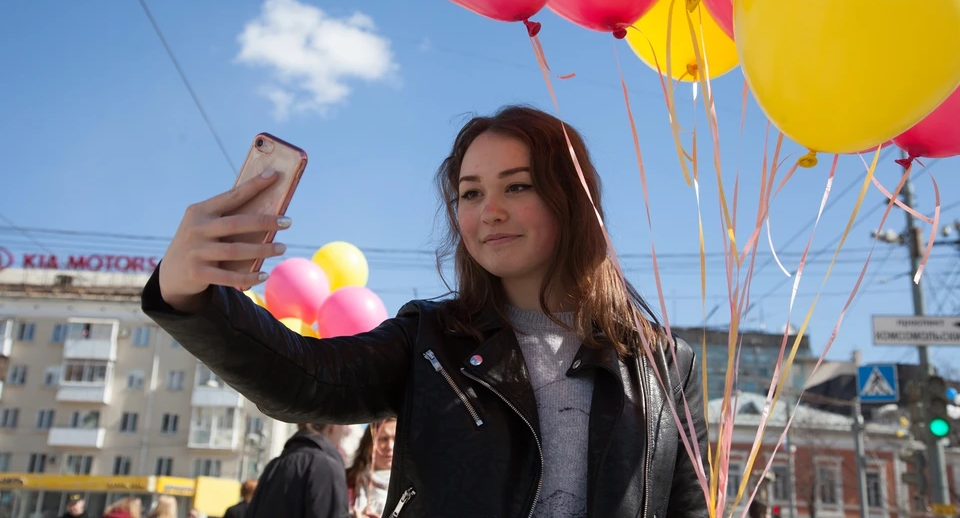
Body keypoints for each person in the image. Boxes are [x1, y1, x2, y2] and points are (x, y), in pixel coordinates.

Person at [143, 105, 709, 518]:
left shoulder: (665, 364)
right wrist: (187, 293)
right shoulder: (432, 339)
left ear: (573, 199)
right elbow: (306, 379)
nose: (489, 212)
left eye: (517, 187)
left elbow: (687, 506)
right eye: (469, 193)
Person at [236, 423, 350, 517]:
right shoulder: (327, 466)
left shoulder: (273, 466)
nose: (344, 430)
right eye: (343, 424)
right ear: (332, 426)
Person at [346, 419, 395, 517]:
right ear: (369, 445)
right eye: (383, 439)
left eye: (396, 439)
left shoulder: (412, 486)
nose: (390, 446)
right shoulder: (346, 481)